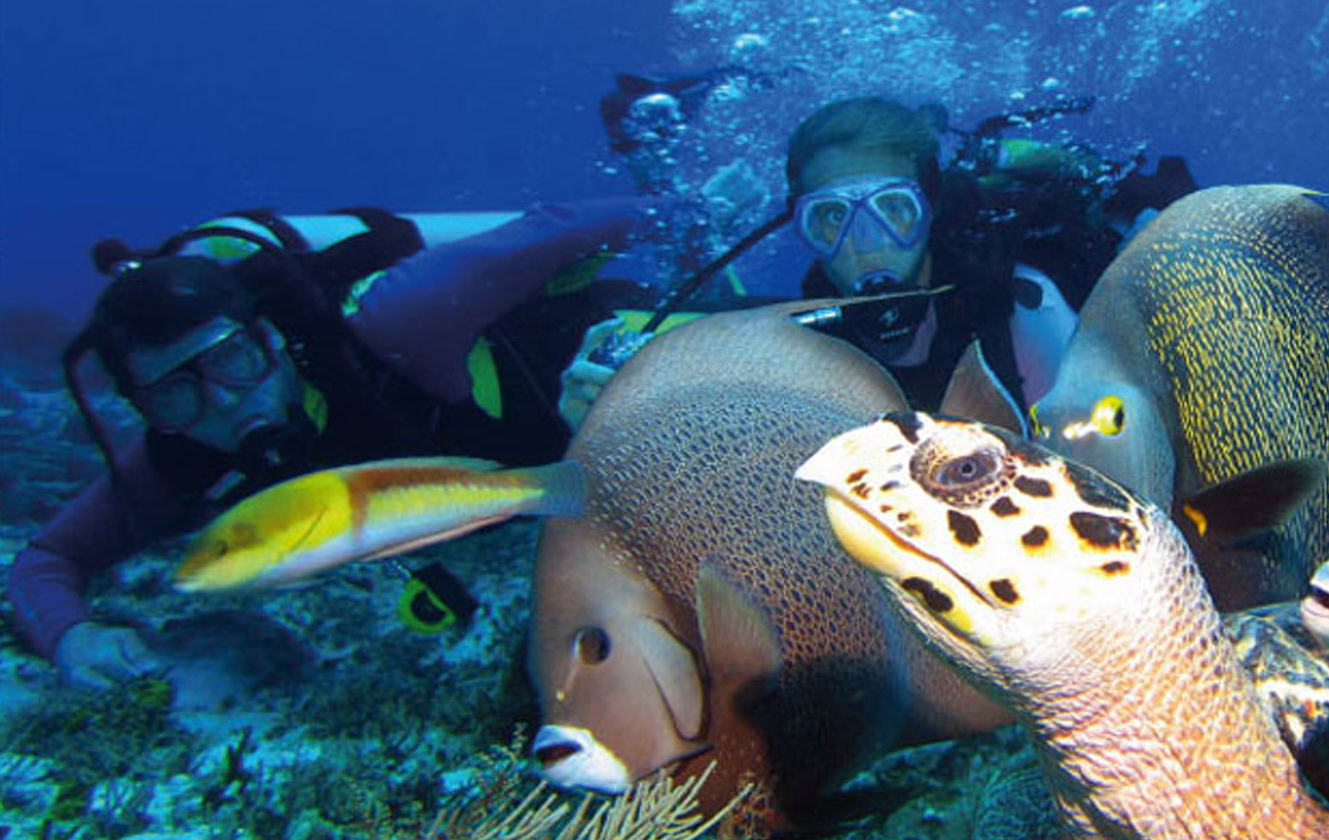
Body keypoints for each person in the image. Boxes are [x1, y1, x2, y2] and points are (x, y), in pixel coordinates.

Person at [7, 200, 658, 689]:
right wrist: (73, 636)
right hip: (548, 494)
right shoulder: (176, 458)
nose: (224, 400)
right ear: (142, 407)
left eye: (232, 359)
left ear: (269, 337)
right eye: (175, 392)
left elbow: (568, 222)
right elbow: (45, 561)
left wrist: (683, 210)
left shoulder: (399, 318)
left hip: (612, 361)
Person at [782, 95, 1195, 408]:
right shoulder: (792, 351)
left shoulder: (1025, 291)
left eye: (894, 209)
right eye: (832, 217)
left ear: (929, 208)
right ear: (803, 227)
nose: (868, 241)